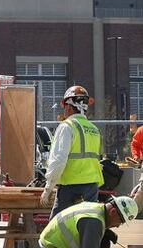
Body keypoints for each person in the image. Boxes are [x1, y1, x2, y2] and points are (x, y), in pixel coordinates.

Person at [40, 86, 104, 219]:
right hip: (92, 186)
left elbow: (59, 160)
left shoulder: (67, 127)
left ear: (68, 107)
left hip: (71, 187)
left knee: (55, 230)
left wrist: (48, 188)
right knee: (85, 226)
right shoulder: (94, 130)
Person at [39, 196, 138, 248]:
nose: (118, 226)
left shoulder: (96, 208)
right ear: (113, 212)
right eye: (121, 221)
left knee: (104, 241)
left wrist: (104, 231)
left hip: (52, 242)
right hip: (51, 245)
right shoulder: (94, 222)